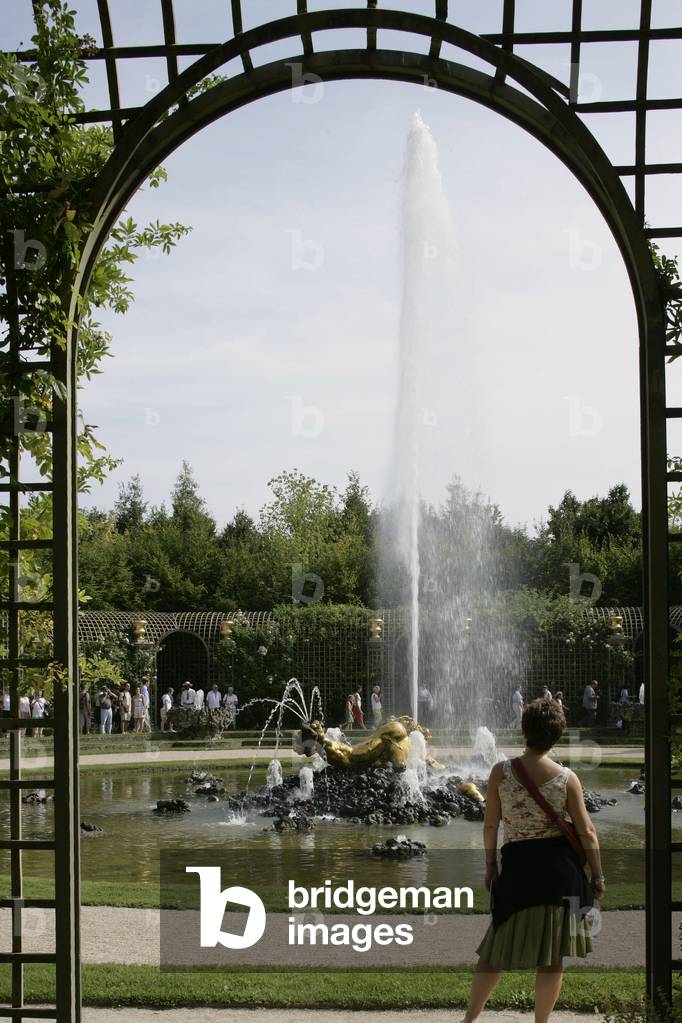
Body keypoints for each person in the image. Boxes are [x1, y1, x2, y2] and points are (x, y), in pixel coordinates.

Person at [463, 699, 604, 1023]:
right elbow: (587, 832)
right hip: (559, 871)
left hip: (518, 867)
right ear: (557, 736)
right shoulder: (567, 778)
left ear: (524, 730)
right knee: (552, 956)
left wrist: (490, 866)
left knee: (494, 948)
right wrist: (598, 876)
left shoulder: (502, 772)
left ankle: (469, 1019)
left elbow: (490, 825)